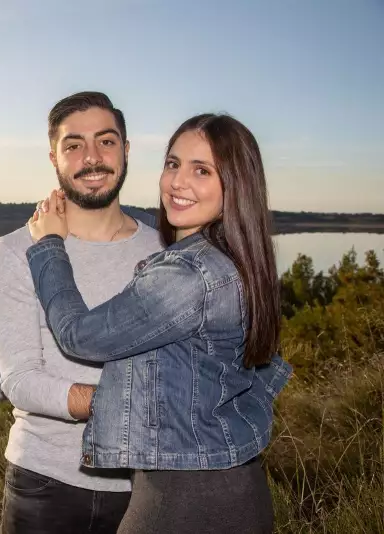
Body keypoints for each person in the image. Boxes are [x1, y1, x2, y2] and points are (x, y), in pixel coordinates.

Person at [26, 112, 293, 533]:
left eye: (201, 170)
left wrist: (49, 245)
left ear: (236, 185)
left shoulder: (189, 275)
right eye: (173, 164)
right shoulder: (238, 260)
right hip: (235, 487)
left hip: (184, 501)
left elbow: (80, 335)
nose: (177, 182)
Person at [0, 91, 164, 533]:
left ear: (126, 148)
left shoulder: (165, 248)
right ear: (54, 158)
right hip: (47, 485)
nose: (92, 158)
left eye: (105, 141)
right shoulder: (14, 251)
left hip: (152, 486)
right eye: (74, 145)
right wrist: (120, 403)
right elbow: (21, 381)